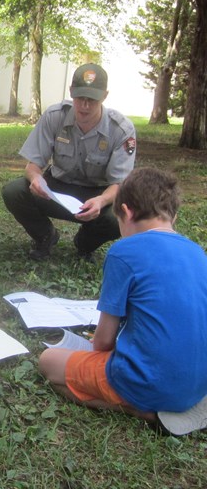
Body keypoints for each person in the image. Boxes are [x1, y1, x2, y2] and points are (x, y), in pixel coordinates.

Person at [38, 167, 207, 436]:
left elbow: (103, 342)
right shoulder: (197, 252)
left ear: (125, 212)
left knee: (49, 361)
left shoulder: (123, 251)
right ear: (173, 215)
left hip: (145, 383)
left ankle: (142, 412)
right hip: (197, 386)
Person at [1, 63, 136, 261]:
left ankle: (84, 244)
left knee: (123, 214)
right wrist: (36, 179)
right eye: (80, 97)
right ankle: (45, 236)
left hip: (98, 194)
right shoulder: (54, 116)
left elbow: (120, 184)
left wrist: (100, 201)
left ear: (104, 96)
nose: (85, 105)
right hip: (56, 189)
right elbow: (32, 165)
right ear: (71, 91)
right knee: (14, 191)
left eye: (92, 99)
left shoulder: (121, 130)